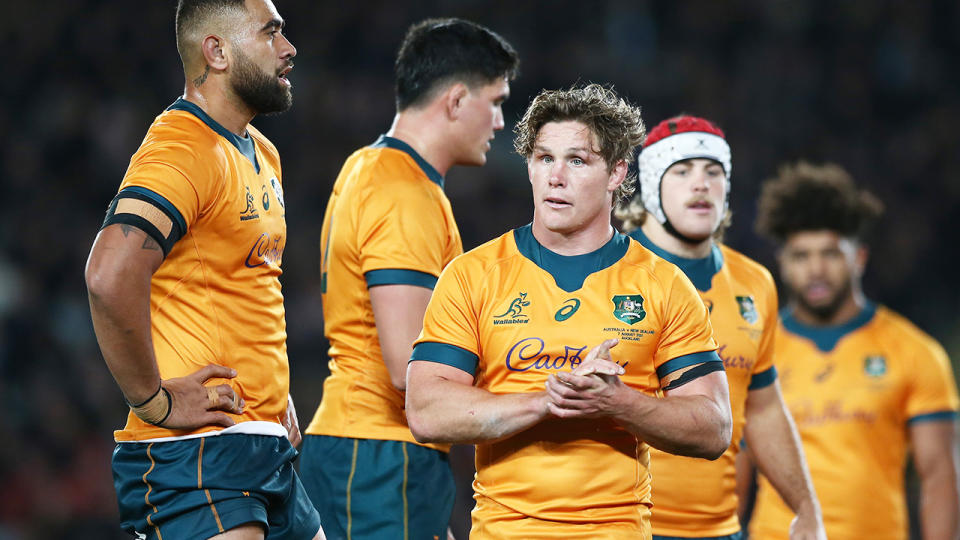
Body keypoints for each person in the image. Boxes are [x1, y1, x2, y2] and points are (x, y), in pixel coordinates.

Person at [405, 84, 734, 539]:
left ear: (617, 172)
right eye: (544, 159)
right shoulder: (472, 274)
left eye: (576, 161)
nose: (555, 177)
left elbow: (714, 428)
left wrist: (618, 401)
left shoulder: (663, 284)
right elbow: (425, 411)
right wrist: (550, 400)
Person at [84, 1, 324, 538]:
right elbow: (109, 275)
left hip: (259, 445)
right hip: (198, 457)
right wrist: (153, 399)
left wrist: (269, 390)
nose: (289, 50)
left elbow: (239, 279)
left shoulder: (261, 151)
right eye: (271, 33)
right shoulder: (181, 148)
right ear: (216, 51)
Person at [298, 18, 519, 540]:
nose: (501, 121)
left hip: (365, 450)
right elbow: (408, 366)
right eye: (496, 100)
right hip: (378, 456)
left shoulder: (370, 166)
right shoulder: (404, 192)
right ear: (457, 100)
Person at [614, 116, 826, 540]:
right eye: (682, 171)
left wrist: (805, 508)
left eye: (714, 172)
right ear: (651, 184)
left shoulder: (755, 282)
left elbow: (762, 408)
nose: (701, 184)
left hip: (719, 531)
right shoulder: (608, 270)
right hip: (617, 526)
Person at [743, 162, 960, 540]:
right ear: (782, 262)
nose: (815, 270)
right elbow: (731, 472)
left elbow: (940, 475)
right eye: (801, 256)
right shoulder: (755, 351)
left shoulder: (915, 352)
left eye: (830, 254)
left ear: (858, 258)